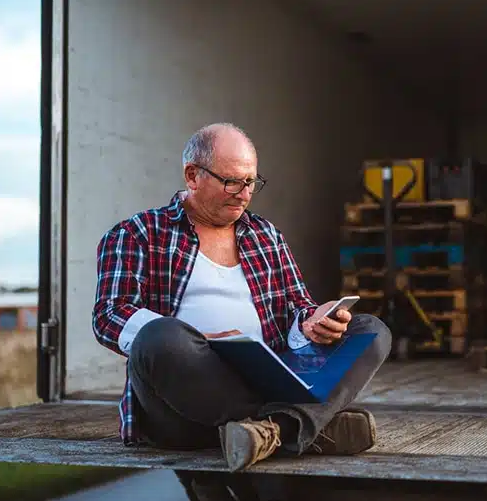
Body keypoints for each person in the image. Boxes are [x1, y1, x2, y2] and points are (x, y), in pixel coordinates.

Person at [91, 122, 392, 474]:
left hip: (266, 379)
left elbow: (295, 309)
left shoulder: (265, 234)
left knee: (371, 330)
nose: (244, 193)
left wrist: (314, 321)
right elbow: (109, 316)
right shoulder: (138, 233)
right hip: (183, 404)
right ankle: (304, 426)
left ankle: (273, 431)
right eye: (232, 181)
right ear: (192, 175)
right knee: (159, 338)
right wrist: (199, 340)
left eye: (251, 182)